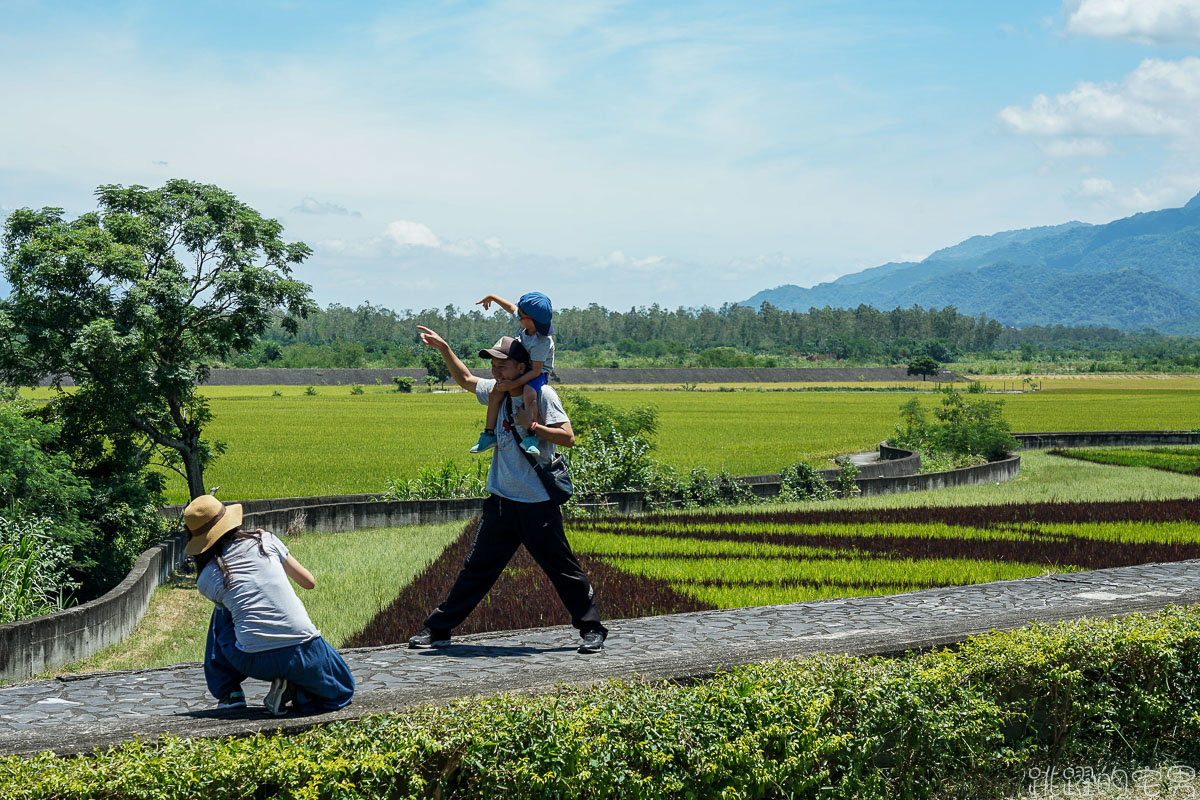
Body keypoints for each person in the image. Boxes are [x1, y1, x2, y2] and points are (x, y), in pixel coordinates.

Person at [409, 325, 608, 654]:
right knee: (476, 569)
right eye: (492, 364)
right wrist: (444, 347)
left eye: (502, 363)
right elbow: (465, 380)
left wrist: (533, 427)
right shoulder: (497, 391)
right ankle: (438, 629)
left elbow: (567, 438)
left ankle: (592, 629)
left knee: (561, 568)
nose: (494, 369)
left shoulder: (541, 395)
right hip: (501, 501)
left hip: (537, 503)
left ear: (522, 367)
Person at [185, 494, 356, 715]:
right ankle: (298, 691)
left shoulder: (206, 578)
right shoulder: (265, 540)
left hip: (253, 660)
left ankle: (229, 693)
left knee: (222, 613)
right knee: (343, 691)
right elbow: (309, 582)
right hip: (304, 649)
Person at [469, 291, 555, 456]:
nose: (517, 316)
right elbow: (510, 308)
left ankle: (531, 435)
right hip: (521, 368)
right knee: (495, 392)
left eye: (520, 315)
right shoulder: (524, 325)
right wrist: (492, 297)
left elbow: (536, 371)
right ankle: (488, 434)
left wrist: (512, 384)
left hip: (537, 373)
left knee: (529, 392)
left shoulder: (541, 341)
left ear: (529, 320)